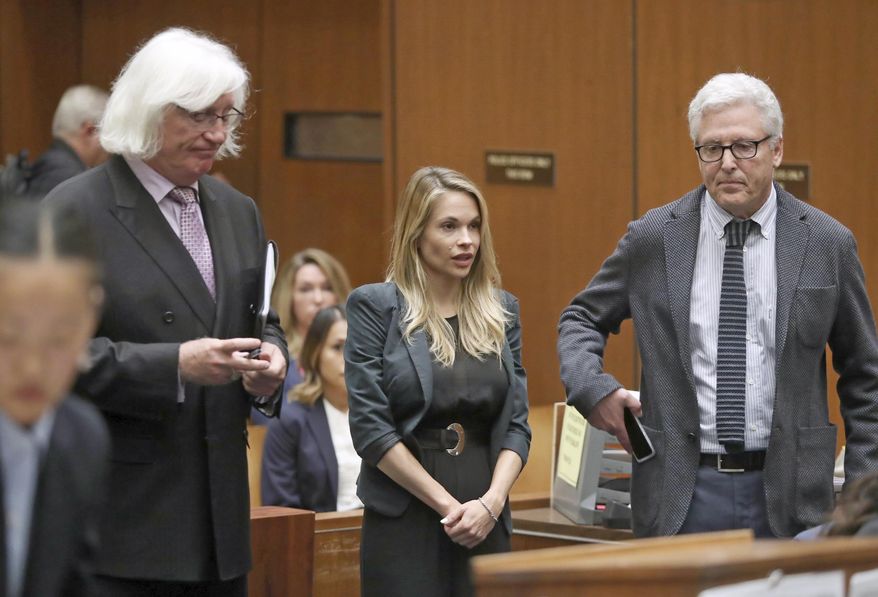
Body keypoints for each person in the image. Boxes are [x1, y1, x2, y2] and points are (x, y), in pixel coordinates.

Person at [558, 72, 878, 539]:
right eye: (712, 149)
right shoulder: (654, 238)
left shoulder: (825, 243)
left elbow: (866, 378)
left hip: (791, 496)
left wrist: (861, 501)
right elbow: (580, 318)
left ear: (777, 150)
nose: (728, 163)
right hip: (680, 493)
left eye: (744, 147)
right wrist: (593, 388)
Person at [43, 28, 288, 595]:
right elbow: (44, 358)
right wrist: (173, 365)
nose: (217, 134)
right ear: (149, 109)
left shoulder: (236, 209)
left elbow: (257, 318)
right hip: (126, 530)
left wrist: (271, 359)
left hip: (222, 531)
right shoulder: (73, 211)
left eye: (226, 117)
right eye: (200, 116)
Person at [345, 166, 530, 596]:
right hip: (406, 512)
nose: (466, 239)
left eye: (473, 226)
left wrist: (492, 503)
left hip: (486, 510)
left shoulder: (501, 311)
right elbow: (372, 431)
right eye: (449, 226)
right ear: (417, 233)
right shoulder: (376, 307)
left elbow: (517, 424)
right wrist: (450, 509)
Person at [0, 200, 109, 596]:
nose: (32, 368)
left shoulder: (81, 437)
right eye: (8, 337)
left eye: (59, 340)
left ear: (90, 320)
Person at [261, 305, 363, 512]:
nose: (349, 358)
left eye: (358, 347)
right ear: (315, 354)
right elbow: (282, 510)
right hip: (318, 539)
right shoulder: (289, 421)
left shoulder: (383, 413)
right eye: (337, 347)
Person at [251, 248, 350, 425]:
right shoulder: (273, 357)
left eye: (327, 288)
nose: (318, 299)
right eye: (306, 289)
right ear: (289, 298)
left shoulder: (361, 355)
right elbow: (266, 424)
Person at [26, 85, 108, 198]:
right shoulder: (67, 178)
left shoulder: (52, 165)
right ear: (90, 130)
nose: (109, 146)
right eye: (107, 133)